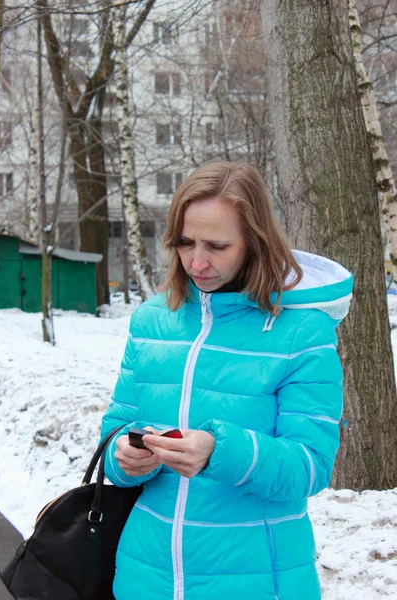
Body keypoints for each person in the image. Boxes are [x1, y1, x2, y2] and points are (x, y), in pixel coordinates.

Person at [100, 162, 353, 600]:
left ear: (254, 242)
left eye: (217, 245)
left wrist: (220, 452)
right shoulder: (152, 320)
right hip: (146, 576)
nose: (197, 261)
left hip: (256, 580)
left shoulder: (302, 333)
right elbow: (115, 431)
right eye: (185, 242)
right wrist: (123, 456)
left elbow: (310, 466)